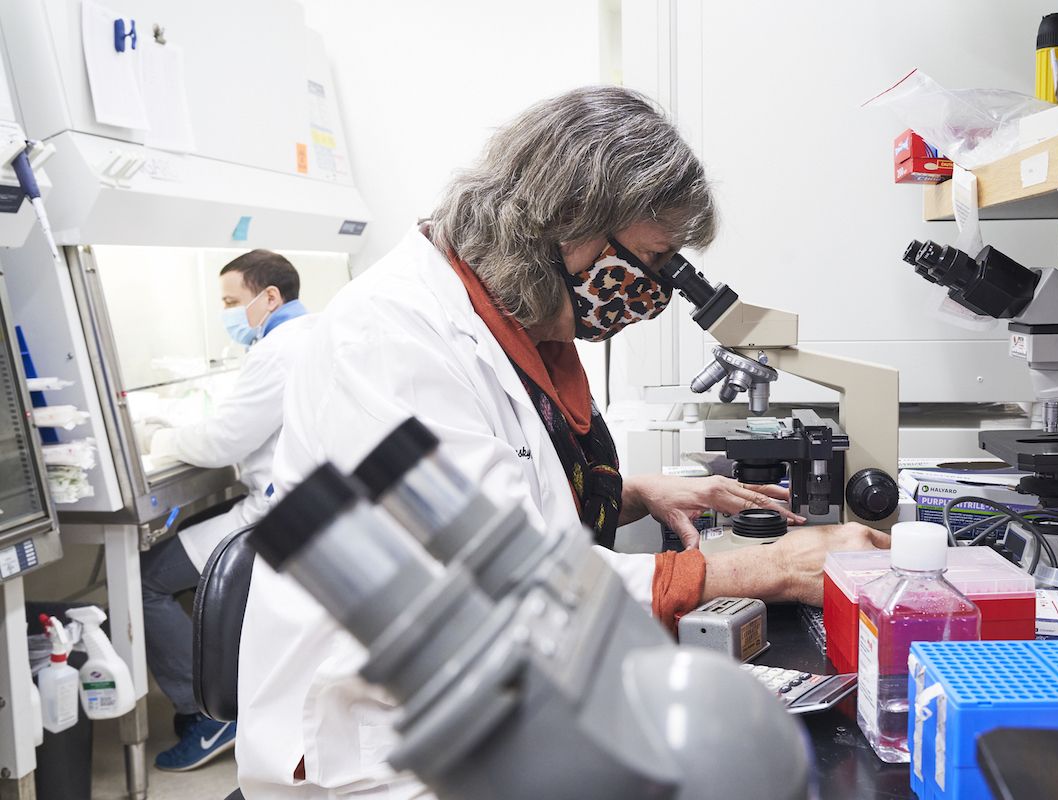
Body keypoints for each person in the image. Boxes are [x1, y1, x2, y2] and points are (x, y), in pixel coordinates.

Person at [237, 86, 888, 797]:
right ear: (570, 218)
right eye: (653, 259)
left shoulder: (516, 318)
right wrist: (773, 568)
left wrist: (630, 492)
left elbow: (504, 493)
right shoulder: (391, 337)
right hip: (392, 745)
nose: (653, 291)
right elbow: (496, 583)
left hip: (506, 695)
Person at [136, 250, 317, 771]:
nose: (228, 313)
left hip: (276, 514)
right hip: (307, 504)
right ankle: (222, 690)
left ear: (270, 297)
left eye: (232, 301)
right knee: (186, 537)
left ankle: (209, 717)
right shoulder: (312, 333)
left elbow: (222, 442)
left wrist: (160, 436)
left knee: (148, 579)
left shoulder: (279, 349)